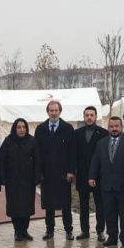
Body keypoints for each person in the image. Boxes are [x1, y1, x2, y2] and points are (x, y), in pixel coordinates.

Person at [89, 116, 124, 248]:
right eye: (111, 126)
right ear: (108, 128)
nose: (114, 129)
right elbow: (95, 160)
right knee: (109, 212)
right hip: (107, 184)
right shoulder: (101, 142)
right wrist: (92, 176)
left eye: (117, 126)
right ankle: (112, 236)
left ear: (122, 127)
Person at [34, 100, 76, 240]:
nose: (53, 113)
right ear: (47, 112)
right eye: (51, 110)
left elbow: (72, 152)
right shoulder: (40, 129)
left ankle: (68, 230)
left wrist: (71, 171)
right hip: (47, 173)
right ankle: (49, 230)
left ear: (60, 111)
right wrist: (39, 172)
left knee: (65, 204)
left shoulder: (68, 128)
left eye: (56, 110)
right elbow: (37, 153)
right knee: (49, 204)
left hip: (63, 174)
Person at [0, 118, 42, 241]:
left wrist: (37, 177)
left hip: (28, 180)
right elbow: (2, 161)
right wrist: (2, 177)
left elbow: (38, 160)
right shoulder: (8, 141)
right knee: (15, 206)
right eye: (19, 127)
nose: (21, 129)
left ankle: (24, 230)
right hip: (12, 180)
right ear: (14, 128)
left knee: (26, 206)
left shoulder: (32, 141)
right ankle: (17, 230)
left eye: (23, 127)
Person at [74, 106, 108, 241]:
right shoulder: (77, 133)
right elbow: (73, 154)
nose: (89, 118)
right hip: (82, 174)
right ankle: (84, 230)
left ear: (96, 116)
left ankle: (100, 230)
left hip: (99, 175)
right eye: (87, 115)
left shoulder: (104, 133)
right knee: (83, 204)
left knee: (100, 204)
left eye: (91, 115)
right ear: (84, 117)